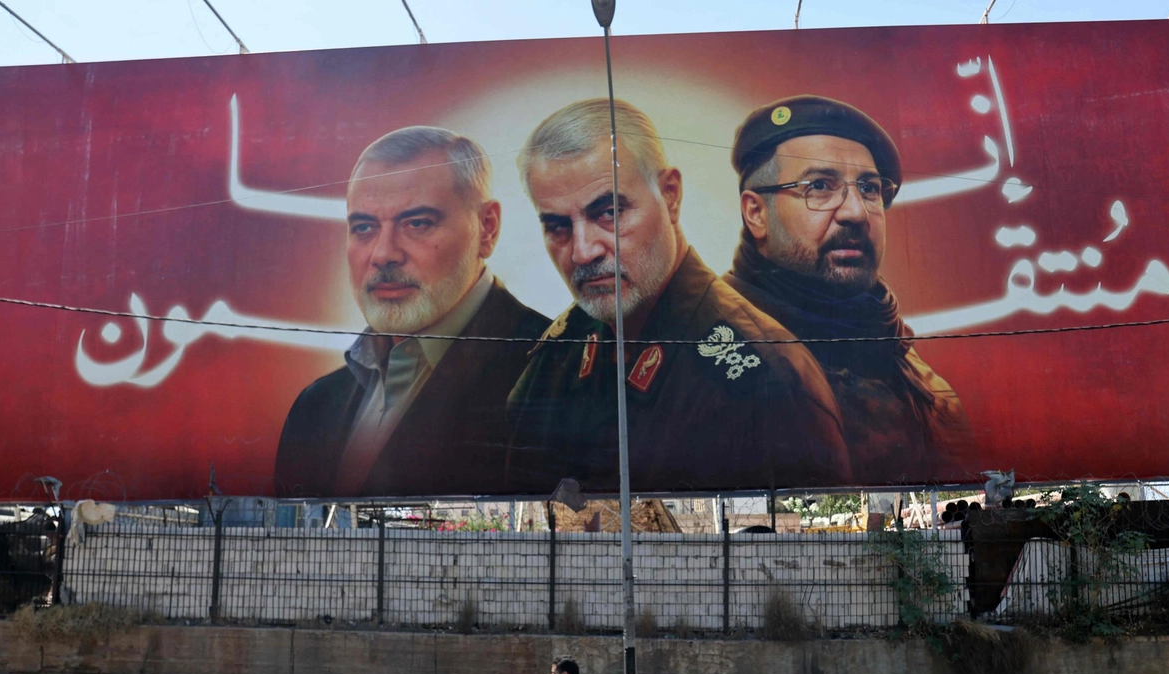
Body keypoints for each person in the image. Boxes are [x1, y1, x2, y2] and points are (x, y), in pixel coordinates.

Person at [505, 99, 850, 493]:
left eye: (609, 212)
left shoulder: (769, 380)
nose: (584, 251)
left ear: (670, 196)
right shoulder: (554, 358)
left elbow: (804, 544)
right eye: (558, 226)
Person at [274, 127, 550, 497]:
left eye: (417, 223)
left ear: (487, 229)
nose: (383, 253)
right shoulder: (316, 407)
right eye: (364, 227)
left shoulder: (555, 373)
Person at [723, 96, 971, 483]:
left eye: (870, 188)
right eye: (820, 186)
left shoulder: (917, 377)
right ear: (757, 213)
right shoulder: (712, 352)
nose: (856, 212)